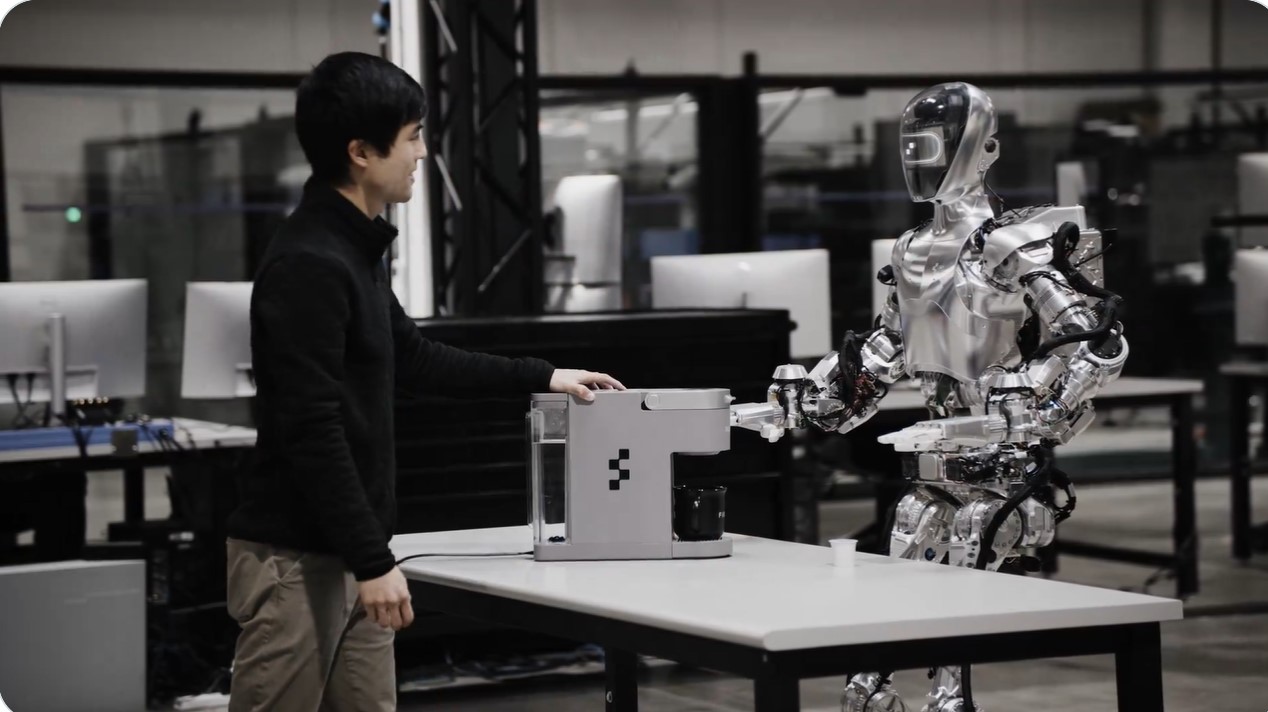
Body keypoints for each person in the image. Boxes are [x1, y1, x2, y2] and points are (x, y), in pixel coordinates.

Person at [224, 51, 623, 712]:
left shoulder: (353, 248)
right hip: (295, 557)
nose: (421, 153)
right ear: (360, 151)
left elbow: (414, 358)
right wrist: (373, 560)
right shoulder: (310, 262)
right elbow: (311, 425)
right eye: (411, 137)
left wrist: (545, 376)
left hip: (349, 552)